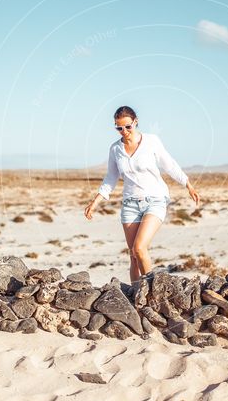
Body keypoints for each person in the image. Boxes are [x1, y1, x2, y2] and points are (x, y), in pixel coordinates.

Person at [84, 105, 200, 282]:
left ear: (135, 122)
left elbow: (169, 164)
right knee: (133, 256)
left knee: (139, 248)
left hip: (155, 200)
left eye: (128, 127)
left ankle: (151, 292)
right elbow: (110, 178)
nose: (124, 131)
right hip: (130, 204)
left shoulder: (151, 141)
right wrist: (95, 202)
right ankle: (136, 298)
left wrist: (187, 184)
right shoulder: (115, 150)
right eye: (119, 128)